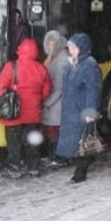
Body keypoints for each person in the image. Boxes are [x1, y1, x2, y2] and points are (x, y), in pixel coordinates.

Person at [0, 38, 52, 179]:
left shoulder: (11, 66)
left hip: (14, 115)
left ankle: (15, 168)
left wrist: (4, 100)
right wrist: (35, 100)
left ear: (20, 50)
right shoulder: (41, 68)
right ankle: (33, 168)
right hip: (33, 114)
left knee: (14, 143)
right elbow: (47, 91)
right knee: (32, 141)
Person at [54, 33, 103, 183]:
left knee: (83, 141)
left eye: (73, 48)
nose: (70, 51)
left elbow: (93, 90)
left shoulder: (89, 64)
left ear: (82, 48)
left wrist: (90, 111)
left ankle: (80, 174)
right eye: (69, 48)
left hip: (82, 111)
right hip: (72, 109)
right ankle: (84, 162)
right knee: (76, 140)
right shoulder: (74, 63)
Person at [40, 30, 69, 167]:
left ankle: (58, 158)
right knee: (52, 131)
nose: (50, 46)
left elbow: (58, 88)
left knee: (55, 132)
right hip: (54, 103)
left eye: (52, 43)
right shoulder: (55, 57)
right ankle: (54, 157)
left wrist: (46, 102)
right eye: (48, 43)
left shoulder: (61, 61)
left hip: (55, 104)